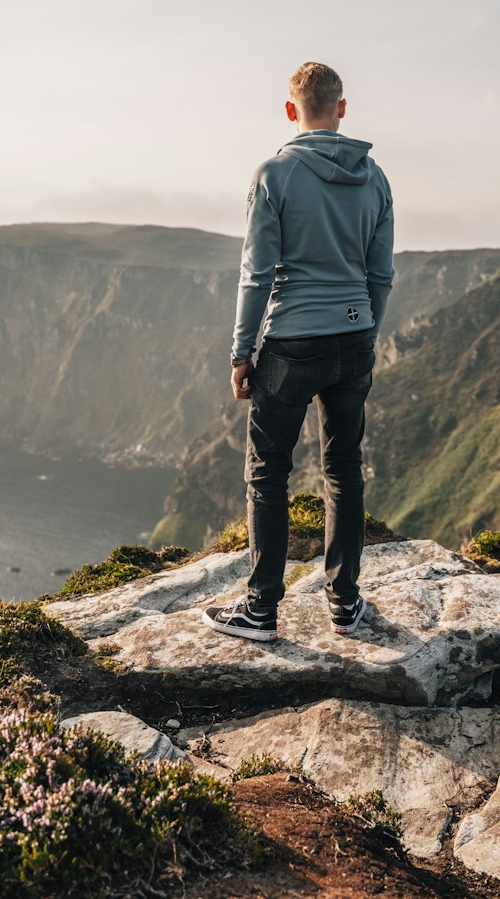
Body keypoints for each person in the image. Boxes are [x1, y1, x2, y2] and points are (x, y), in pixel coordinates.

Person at [202, 62, 394, 642]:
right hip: (354, 335)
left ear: (291, 111)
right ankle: (345, 604)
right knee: (344, 471)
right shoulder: (376, 178)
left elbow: (257, 274)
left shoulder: (275, 174)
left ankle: (260, 610)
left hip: (291, 341)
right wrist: (365, 333)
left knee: (268, 475)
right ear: (342, 107)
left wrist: (242, 352)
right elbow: (380, 273)